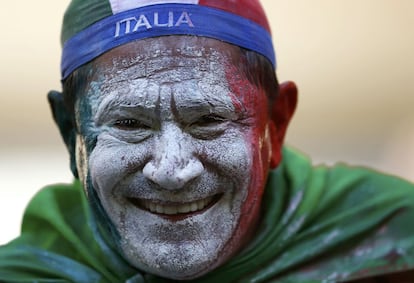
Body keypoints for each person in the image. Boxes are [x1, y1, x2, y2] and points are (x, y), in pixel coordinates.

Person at [0, 0, 413, 282]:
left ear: (276, 123)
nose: (172, 171)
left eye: (210, 119)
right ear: (72, 134)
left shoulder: (397, 240)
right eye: (128, 123)